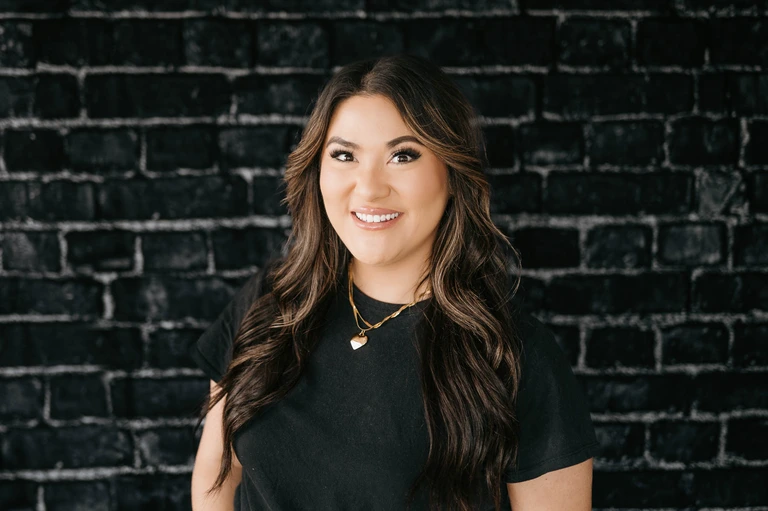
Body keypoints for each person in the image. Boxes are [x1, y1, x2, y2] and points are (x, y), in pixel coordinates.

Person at [188, 53, 599, 511]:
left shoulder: (514, 356)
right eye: (344, 155)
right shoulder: (270, 301)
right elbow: (217, 474)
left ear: (452, 172)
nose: (368, 187)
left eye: (402, 156)